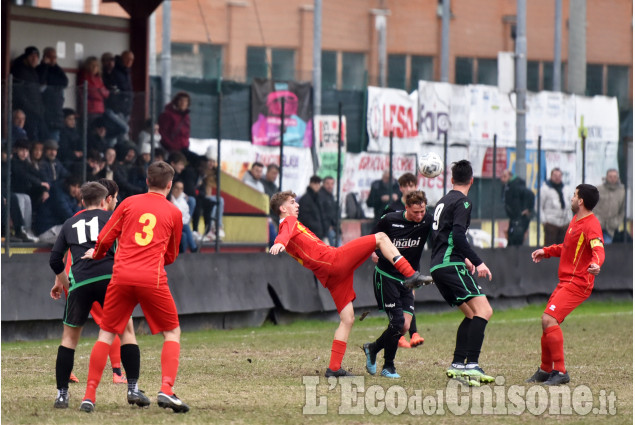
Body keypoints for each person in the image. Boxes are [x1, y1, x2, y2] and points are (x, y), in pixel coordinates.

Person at [269, 190, 432, 377]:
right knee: (380, 238)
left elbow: (286, 235)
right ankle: (411, 274)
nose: (296, 205)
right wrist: (279, 242)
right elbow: (285, 232)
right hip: (334, 260)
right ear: (283, 208)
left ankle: (334, 368)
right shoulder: (287, 222)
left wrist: (282, 241)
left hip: (330, 276)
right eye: (292, 202)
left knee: (348, 319)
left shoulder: (288, 225)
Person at [79, 161, 188, 413]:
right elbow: (171, 255)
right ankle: (167, 389)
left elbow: (105, 238)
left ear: (147, 181)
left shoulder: (128, 203)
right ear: (170, 185)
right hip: (152, 277)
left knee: (106, 334)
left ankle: (89, 396)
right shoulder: (174, 212)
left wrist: (96, 255)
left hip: (121, 277)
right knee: (172, 332)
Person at [48, 181, 136, 408]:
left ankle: (61, 395)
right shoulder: (113, 218)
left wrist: (66, 283)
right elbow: (129, 248)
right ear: (104, 200)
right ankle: (132, 387)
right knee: (126, 331)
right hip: (110, 280)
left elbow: (55, 259)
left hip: (80, 282)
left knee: (68, 340)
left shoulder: (69, 223)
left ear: (82, 201)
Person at [420, 160, 494, 386]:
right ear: (471, 180)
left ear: (451, 180)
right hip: (451, 264)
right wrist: (477, 261)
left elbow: (442, 237)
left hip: (438, 266)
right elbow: (459, 236)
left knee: (471, 315)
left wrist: (463, 258)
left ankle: (457, 365)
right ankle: (472, 364)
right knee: (485, 310)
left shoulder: (443, 201)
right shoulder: (462, 202)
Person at [526, 184, 604, 386]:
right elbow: (568, 248)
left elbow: (598, 247)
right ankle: (545, 369)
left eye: (574, 195)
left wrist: (596, 263)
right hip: (566, 281)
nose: (571, 198)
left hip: (578, 282)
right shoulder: (576, 220)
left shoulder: (591, 224)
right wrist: (547, 251)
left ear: (581, 201)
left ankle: (560, 372)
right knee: (547, 322)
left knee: (548, 319)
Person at [363, 190, 433, 379]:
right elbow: (371, 239)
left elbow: (441, 237)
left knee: (404, 326)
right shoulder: (389, 220)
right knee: (397, 322)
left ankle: (373, 348)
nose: (420, 216)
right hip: (387, 276)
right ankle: (389, 366)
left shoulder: (428, 220)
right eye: (415, 212)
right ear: (407, 208)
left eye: (422, 212)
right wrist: (373, 252)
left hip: (408, 280)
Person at [380, 171, 423, 348]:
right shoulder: (392, 208)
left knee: (410, 296)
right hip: (393, 261)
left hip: (411, 258)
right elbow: (381, 232)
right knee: (398, 298)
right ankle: (403, 334)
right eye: (405, 186)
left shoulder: (421, 210)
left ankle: (410, 333)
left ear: (415, 185)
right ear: (400, 188)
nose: (408, 188)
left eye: (411, 185)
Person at [11, 46, 48, 140]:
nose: (34, 59)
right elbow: (19, 95)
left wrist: (44, 65)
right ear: (26, 57)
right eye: (31, 56)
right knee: (30, 140)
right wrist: (31, 109)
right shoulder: (19, 71)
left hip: (37, 112)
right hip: (28, 114)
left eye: (36, 57)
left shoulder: (32, 71)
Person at [35, 175, 82, 244]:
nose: (76, 190)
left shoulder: (72, 197)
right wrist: (79, 203)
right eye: (73, 186)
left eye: (78, 187)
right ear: (67, 185)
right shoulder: (59, 196)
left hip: (57, 229)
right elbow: (72, 219)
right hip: (46, 232)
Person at [36, 47, 69, 141]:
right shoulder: (40, 68)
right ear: (45, 57)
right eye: (50, 57)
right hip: (44, 110)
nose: (53, 59)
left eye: (55, 57)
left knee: (54, 141)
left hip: (56, 112)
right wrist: (45, 65)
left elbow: (65, 82)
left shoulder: (57, 69)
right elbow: (42, 80)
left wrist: (51, 81)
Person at [500, 169, 534, 246]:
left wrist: (528, 209)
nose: (502, 179)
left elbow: (531, 195)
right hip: (514, 217)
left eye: (505, 176)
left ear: (510, 176)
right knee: (511, 237)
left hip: (519, 218)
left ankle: (515, 256)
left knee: (516, 239)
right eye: (502, 177)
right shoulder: (507, 186)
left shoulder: (516, 185)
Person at [540, 168, 572, 245]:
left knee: (563, 249)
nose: (557, 177)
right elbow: (539, 206)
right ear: (551, 176)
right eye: (555, 175)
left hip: (564, 223)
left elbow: (569, 206)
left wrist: (570, 220)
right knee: (550, 249)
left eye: (559, 175)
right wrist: (544, 221)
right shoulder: (545, 189)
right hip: (551, 223)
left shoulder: (566, 189)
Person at [594, 169, 625, 244]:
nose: (612, 179)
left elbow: (623, 211)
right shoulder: (598, 190)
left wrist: (616, 222)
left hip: (611, 229)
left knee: (606, 251)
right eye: (610, 176)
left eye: (615, 176)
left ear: (618, 178)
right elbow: (591, 207)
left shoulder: (622, 192)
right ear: (606, 177)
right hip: (596, 228)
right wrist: (596, 219)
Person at [77, 56, 109, 126]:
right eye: (92, 65)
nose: (94, 68)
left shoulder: (99, 79)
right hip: (89, 110)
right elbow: (92, 93)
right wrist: (100, 92)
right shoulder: (84, 76)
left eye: (97, 66)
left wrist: (99, 91)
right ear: (88, 66)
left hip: (100, 109)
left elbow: (106, 93)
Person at [170, 180, 198, 253]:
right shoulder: (169, 198)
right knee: (185, 226)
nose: (179, 191)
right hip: (170, 225)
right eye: (177, 188)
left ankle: (184, 255)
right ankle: (194, 248)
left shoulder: (183, 200)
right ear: (172, 188)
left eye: (181, 189)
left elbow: (185, 215)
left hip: (181, 224)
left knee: (184, 235)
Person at [298, 175, 326, 240]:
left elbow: (322, 215)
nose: (317, 185)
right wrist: (317, 227)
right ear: (310, 184)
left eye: (318, 183)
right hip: (309, 234)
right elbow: (304, 217)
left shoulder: (319, 198)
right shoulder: (305, 199)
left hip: (319, 234)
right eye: (315, 183)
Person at [318, 176, 340, 247]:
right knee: (338, 247)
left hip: (333, 226)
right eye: (327, 183)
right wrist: (328, 226)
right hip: (325, 227)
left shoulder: (330, 196)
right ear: (323, 184)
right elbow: (321, 213)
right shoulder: (320, 196)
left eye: (332, 184)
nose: (330, 186)